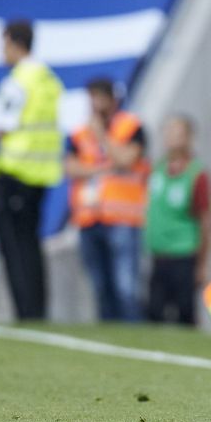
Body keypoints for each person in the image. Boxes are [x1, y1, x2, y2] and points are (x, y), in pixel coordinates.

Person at [0, 20, 63, 320]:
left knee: (14, 248)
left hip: (14, 172)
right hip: (41, 174)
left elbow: (3, 128)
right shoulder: (47, 79)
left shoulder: (17, 81)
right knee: (31, 245)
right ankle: (37, 310)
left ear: (12, 41)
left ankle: (26, 312)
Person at [65, 78, 148, 321]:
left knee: (126, 286)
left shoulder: (130, 127)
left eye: (99, 98)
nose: (94, 104)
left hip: (122, 217)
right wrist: (104, 169)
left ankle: (134, 333)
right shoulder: (79, 133)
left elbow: (126, 159)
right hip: (89, 217)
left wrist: (102, 137)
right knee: (101, 286)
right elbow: (70, 168)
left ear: (112, 100)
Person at [145, 115, 211, 325]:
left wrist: (202, 264)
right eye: (168, 132)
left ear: (188, 138)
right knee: (154, 313)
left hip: (184, 255)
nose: (171, 138)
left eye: (177, 133)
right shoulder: (156, 170)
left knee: (185, 314)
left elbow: (206, 219)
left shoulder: (196, 174)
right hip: (159, 254)